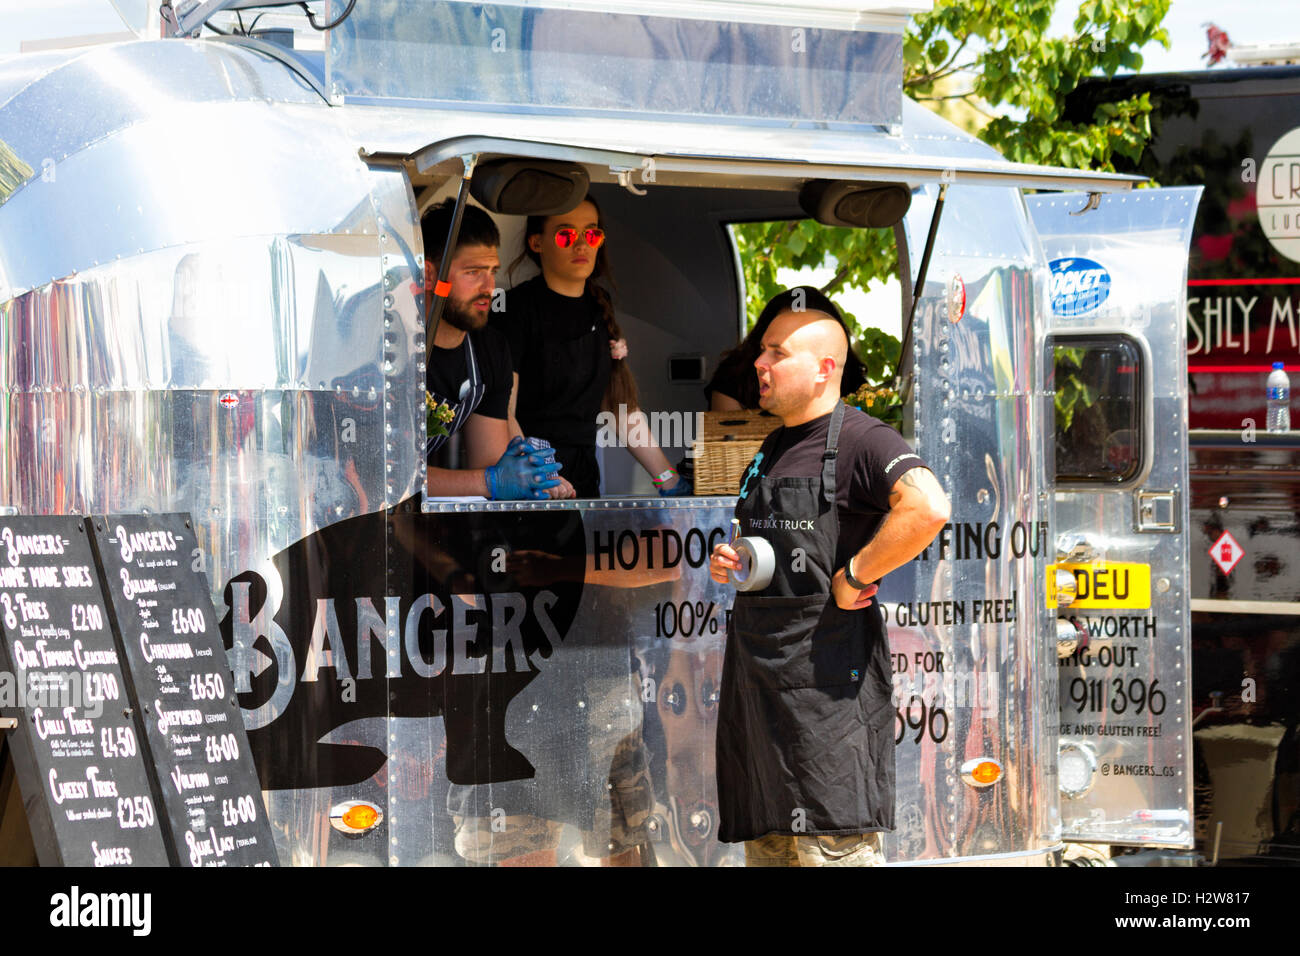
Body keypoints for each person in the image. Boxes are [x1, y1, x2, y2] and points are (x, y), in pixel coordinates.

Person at [708, 289, 950, 867]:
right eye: (762, 351)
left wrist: (857, 574)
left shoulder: (864, 440)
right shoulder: (771, 446)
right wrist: (734, 559)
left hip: (827, 715)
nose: (759, 364)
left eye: (776, 353)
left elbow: (928, 507)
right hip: (761, 705)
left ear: (823, 369)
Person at [494, 195, 690, 498]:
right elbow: (502, 410)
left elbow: (620, 406)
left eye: (592, 234)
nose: (581, 244)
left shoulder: (599, 305)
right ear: (537, 243)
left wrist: (669, 480)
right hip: (530, 484)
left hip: (584, 479)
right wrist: (538, 475)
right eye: (566, 234)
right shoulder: (516, 309)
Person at [421, 199, 571, 500]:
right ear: (428, 275)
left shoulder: (490, 350)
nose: (488, 286)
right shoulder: (388, 346)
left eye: (492, 271)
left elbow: (489, 463)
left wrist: (528, 477)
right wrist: (490, 481)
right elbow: (379, 475)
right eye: (473, 272)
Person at [705, 285, 868, 411]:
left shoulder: (853, 384)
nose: (760, 362)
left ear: (825, 368)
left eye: (780, 352)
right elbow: (724, 435)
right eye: (767, 349)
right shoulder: (736, 375)